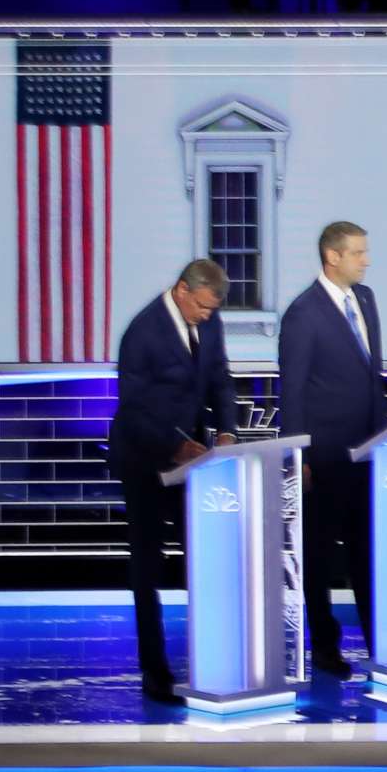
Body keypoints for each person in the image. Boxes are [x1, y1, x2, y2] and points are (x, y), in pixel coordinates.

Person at [108, 259, 241, 703]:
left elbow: (220, 379)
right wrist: (175, 445)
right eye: (202, 307)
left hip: (192, 461)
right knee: (147, 564)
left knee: (201, 556)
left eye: (212, 309)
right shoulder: (142, 333)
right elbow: (134, 409)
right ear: (183, 290)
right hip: (144, 458)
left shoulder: (210, 320)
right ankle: (155, 671)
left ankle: (213, 657)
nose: (207, 315)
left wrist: (226, 431)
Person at [278, 220, 387, 676]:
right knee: (321, 556)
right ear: (333, 257)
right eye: (358, 253)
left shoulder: (365, 299)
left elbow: (371, 378)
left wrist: (384, 440)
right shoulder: (303, 314)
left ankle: (380, 641)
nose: (366, 260)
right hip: (323, 458)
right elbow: (293, 391)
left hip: (367, 452)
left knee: (369, 550)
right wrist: (298, 456)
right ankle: (326, 648)